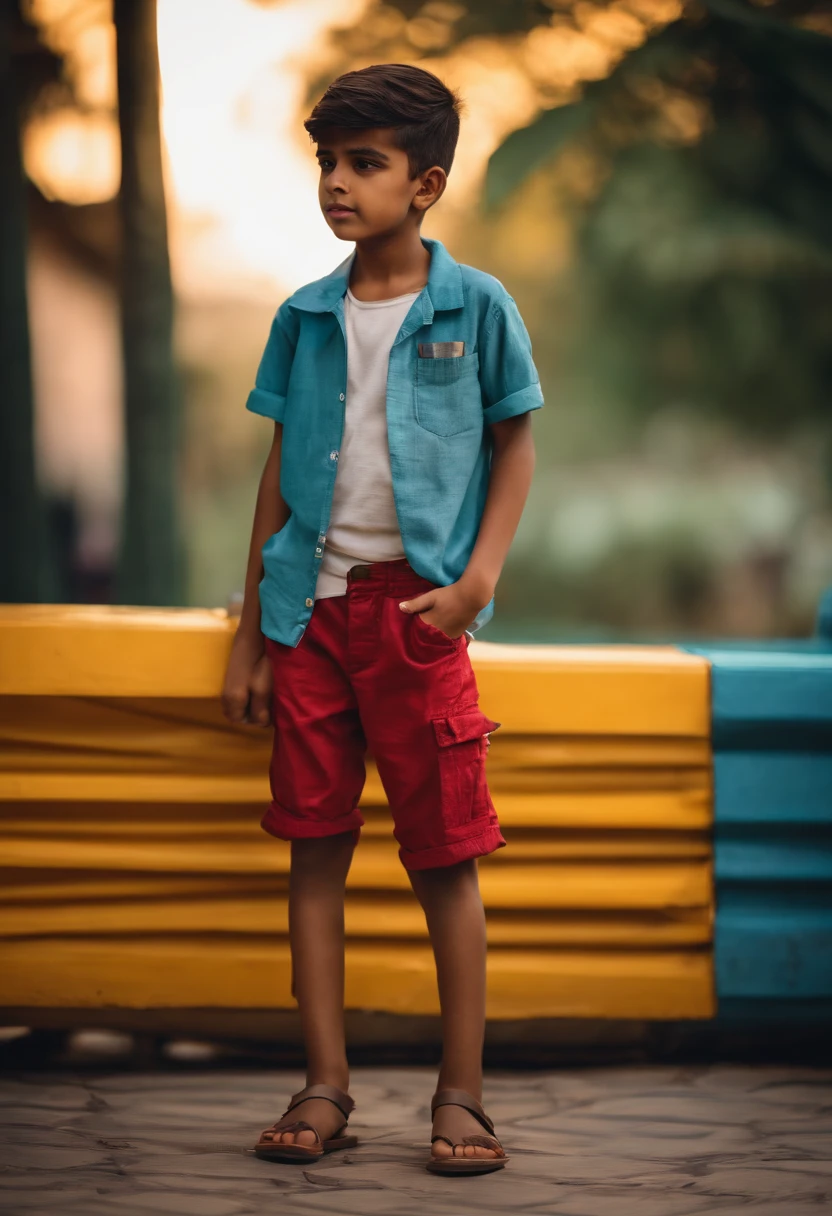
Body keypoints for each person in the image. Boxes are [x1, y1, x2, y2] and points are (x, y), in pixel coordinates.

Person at [221, 62, 542, 1176]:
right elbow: (274, 474)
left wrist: (474, 587)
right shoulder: (303, 318)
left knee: (444, 858)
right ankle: (323, 1085)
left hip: (416, 619)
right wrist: (251, 635)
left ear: (427, 183)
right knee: (313, 851)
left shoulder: (475, 306)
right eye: (327, 161)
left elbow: (515, 445)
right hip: (306, 621)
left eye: (366, 163)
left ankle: (462, 1097)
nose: (338, 184)